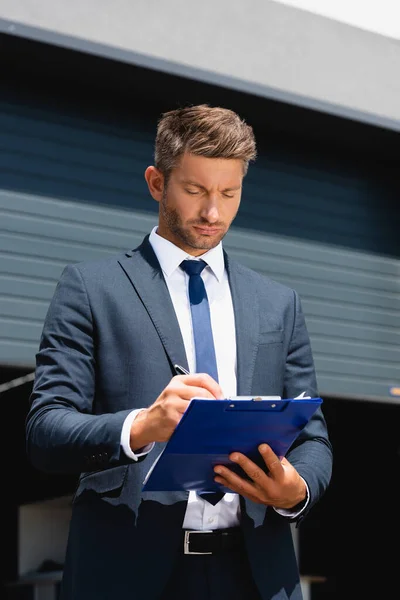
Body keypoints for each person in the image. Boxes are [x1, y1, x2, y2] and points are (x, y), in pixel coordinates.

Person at [26, 104, 333, 600]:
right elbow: (45, 431)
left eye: (229, 193)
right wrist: (142, 426)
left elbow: (312, 439)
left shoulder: (280, 304)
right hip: (127, 576)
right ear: (156, 182)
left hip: (256, 576)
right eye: (195, 191)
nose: (213, 212)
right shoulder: (91, 288)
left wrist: (295, 491)